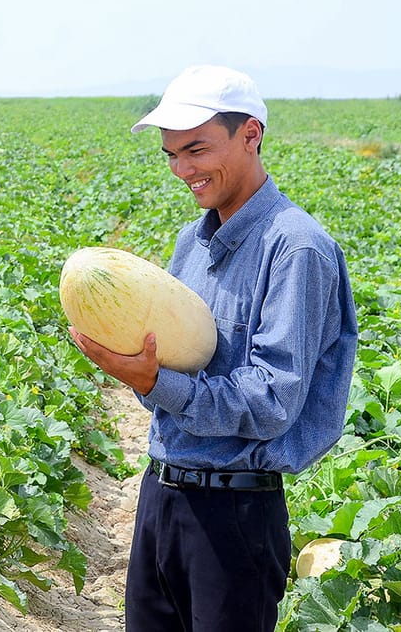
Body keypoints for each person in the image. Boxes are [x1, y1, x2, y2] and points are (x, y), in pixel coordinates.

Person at [69, 65, 357, 631]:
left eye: (196, 149)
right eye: (172, 155)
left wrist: (154, 383)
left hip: (234, 518)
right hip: (160, 496)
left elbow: (272, 401)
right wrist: (148, 377)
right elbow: (173, 372)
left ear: (250, 134)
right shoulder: (191, 243)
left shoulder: (297, 248)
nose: (183, 170)